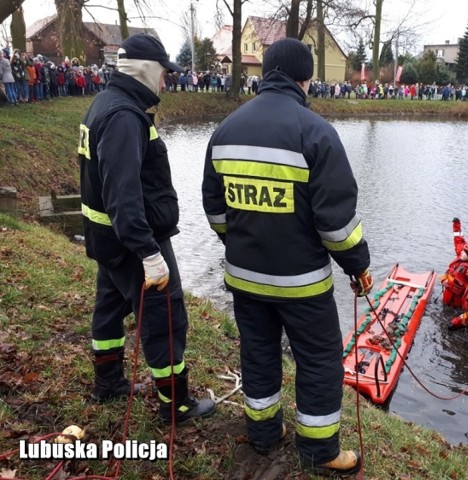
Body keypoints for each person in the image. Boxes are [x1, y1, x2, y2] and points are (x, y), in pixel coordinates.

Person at [202, 37, 372, 476]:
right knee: (318, 360)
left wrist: (239, 244)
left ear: (265, 73)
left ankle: (263, 433)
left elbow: (215, 210)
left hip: (243, 278)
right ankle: (318, 452)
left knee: (258, 354)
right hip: (302, 285)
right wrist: (358, 266)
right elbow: (336, 224)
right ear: (305, 78)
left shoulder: (226, 130)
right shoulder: (316, 132)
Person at [78, 33, 215, 423]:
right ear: (145, 70)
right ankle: (176, 405)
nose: (165, 82)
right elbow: (123, 193)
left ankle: (108, 383)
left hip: (107, 240)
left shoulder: (105, 103)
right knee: (164, 320)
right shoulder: (124, 116)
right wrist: (148, 252)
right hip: (135, 243)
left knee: (109, 307)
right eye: (163, 74)